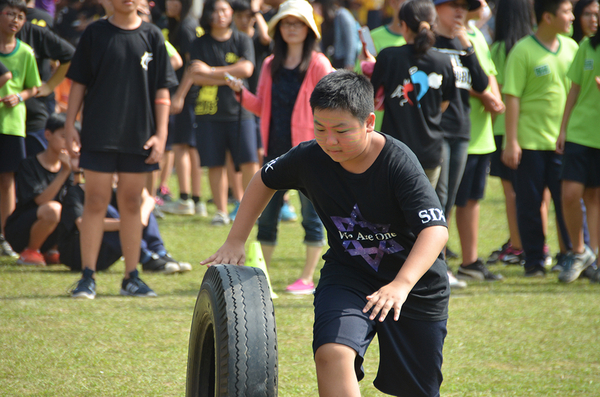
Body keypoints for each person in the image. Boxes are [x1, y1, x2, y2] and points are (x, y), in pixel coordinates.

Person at [203, 70, 450, 397]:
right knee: (332, 353)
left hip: (415, 281)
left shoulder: (398, 163)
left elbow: (435, 230)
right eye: (320, 128)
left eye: (341, 130)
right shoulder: (309, 157)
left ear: (369, 122)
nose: (330, 140)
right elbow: (265, 178)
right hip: (349, 274)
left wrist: (401, 285)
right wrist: (236, 239)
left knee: (417, 390)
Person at [65, 0, 178, 299]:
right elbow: (78, 83)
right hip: (98, 133)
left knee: (131, 202)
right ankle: (87, 277)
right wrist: (69, 127)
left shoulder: (153, 35)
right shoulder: (94, 33)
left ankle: (132, 276)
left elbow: (162, 89)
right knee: (95, 200)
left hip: (139, 136)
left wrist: (161, 134)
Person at [226, 0, 333, 294]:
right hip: (274, 151)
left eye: (297, 23)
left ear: (309, 28)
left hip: (312, 151)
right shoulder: (270, 63)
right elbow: (261, 107)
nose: (291, 28)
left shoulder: (319, 63)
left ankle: (308, 278)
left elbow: (332, 105)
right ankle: (261, 279)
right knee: (267, 219)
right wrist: (240, 92)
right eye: (286, 23)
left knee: (312, 218)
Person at [501, 0, 578, 277]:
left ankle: (570, 255)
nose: (572, 17)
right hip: (530, 143)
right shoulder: (522, 51)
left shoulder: (572, 48)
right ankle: (534, 260)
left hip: (563, 143)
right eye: (567, 12)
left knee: (566, 202)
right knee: (530, 204)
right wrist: (512, 141)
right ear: (548, 17)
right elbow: (512, 97)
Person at [173, 0, 259, 226]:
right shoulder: (199, 43)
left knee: (250, 161)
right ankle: (221, 211)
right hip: (208, 112)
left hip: (241, 110)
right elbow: (195, 76)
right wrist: (230, 75)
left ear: (231, 13)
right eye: (216, 10)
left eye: (225, 10)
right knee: (215, 163)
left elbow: (247, 69)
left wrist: (212, 71)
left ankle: (253, 209)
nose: (220, 15)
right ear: (208, 13)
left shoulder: (242, 39)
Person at [431, 0, 488, 286]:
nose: (459, 12)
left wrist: (468, 47)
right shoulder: (428, 41)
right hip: (435, 131)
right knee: (436, 200)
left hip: (462, 132)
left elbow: (481, 84)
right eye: (452, 5)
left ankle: (438, 265)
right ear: (436, 8)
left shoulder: (465, 42)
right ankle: (435, 267)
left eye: (464, 7)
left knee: (448, 201)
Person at [370, 0, 456, 188]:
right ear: (433, 26)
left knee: (391, 211)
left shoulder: (388, 56)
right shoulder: (444, 61)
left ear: (404, 25)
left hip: (393, 151)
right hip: (430, 151)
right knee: (422, 211)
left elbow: (371, 96)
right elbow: (444, 104)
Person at [453, 1, 505, 281]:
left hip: (481, 135)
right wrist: (486, 96)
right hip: (458, 134)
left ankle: (470, 261)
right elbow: (461, 77)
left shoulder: (477, 37)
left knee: (472, 200)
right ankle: (438, 262)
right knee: (447, 202)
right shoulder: (452, 39)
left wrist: (494, 98)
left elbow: (489, 74)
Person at [59, 169, 192, 274]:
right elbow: (82, 224)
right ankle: (146, 258)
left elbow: (149, 199)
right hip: (78, 254)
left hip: (107, 252)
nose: (114, 176)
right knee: (107, 211)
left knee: (140, 208)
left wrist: (140, 220)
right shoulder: (75, 192)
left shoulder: (117, 190)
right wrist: (128, 225)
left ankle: (160, 253)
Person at [486, 0, 534, 266]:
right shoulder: (533, 46)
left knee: (511, 192)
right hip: (534, 130)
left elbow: (498, 93)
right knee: (536, 192)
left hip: (505, 130)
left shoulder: (499, 50)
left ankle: (518, 245)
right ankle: (536, 243)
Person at [554, 32, 600, 283]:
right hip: (579, 134)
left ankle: (597, 261)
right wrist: (563, 129)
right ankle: (579, 252)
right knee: (570, 194)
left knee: (595, 198)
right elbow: (574, 89)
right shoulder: (586, 46)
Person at [0, 0, 41, 258]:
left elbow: (34, 87)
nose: (15, 20)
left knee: (7, 181)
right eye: (10, 14)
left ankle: (7, 235)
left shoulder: (25, 51)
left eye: (20, 17)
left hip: (12, 123)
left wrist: (20, 97)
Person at [4, 113, 72, 266]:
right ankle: (31, 251)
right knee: (53, 209)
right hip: (21, 230)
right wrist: (64, 172)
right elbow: (41, 201)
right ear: (47, 134)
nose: (67, 143)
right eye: (63, 136)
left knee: (73, 208)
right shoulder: (29, 164)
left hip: (51, 231)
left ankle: (52, 251)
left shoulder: (69, 168)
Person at [160, 0, 206, 217]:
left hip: (187, 96)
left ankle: (186, 198)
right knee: (191, 147)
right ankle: (196, 200)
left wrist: (179, 96)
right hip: (190, 95)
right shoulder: (181, 24)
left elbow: (192, 66)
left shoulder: (186, 27)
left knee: (181, 146)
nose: (170, 3)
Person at [16, 21, 75, 156]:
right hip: (7, 120)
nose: (14, 19)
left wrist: (49, 86)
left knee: (38, 170)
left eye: (18, 15)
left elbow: (70, 54)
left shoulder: (32, 31)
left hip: (34, 116)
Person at [315, 0, 359, 69]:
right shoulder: (324, 22)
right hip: (333, 64)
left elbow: (351, 41)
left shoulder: (342, 15)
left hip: (344, 63)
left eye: (317, 6)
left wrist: (350, 64)